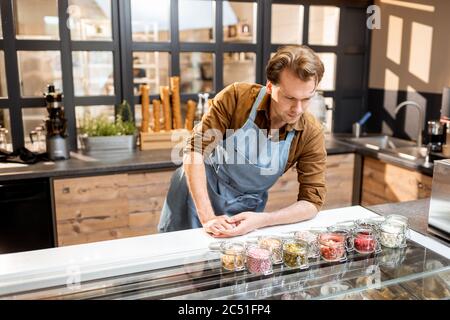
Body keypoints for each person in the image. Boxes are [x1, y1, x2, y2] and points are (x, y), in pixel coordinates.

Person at [158, 45, 327, 238]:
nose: (297, 109)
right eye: (289, 98)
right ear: (270, 87)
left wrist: (264, 220)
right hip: (196, 196)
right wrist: (207, 217)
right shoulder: (237, 98)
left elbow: (312, 201)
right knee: (181, 261)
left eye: (306, 99)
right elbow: (195, 150)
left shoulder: (310, 132)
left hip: (247, 210)